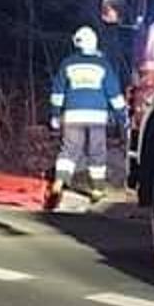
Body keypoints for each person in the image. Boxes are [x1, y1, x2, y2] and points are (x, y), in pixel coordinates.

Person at [49, 26, 127, 205]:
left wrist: (55, 114)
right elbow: (114, 93)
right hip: (96, 116)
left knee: (69, 150)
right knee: (97, 152)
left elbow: (58, 92)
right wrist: (123, 116)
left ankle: (59, 181)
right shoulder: (102, 65)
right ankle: (97, 189)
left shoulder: (68, 63)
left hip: (73, 115)